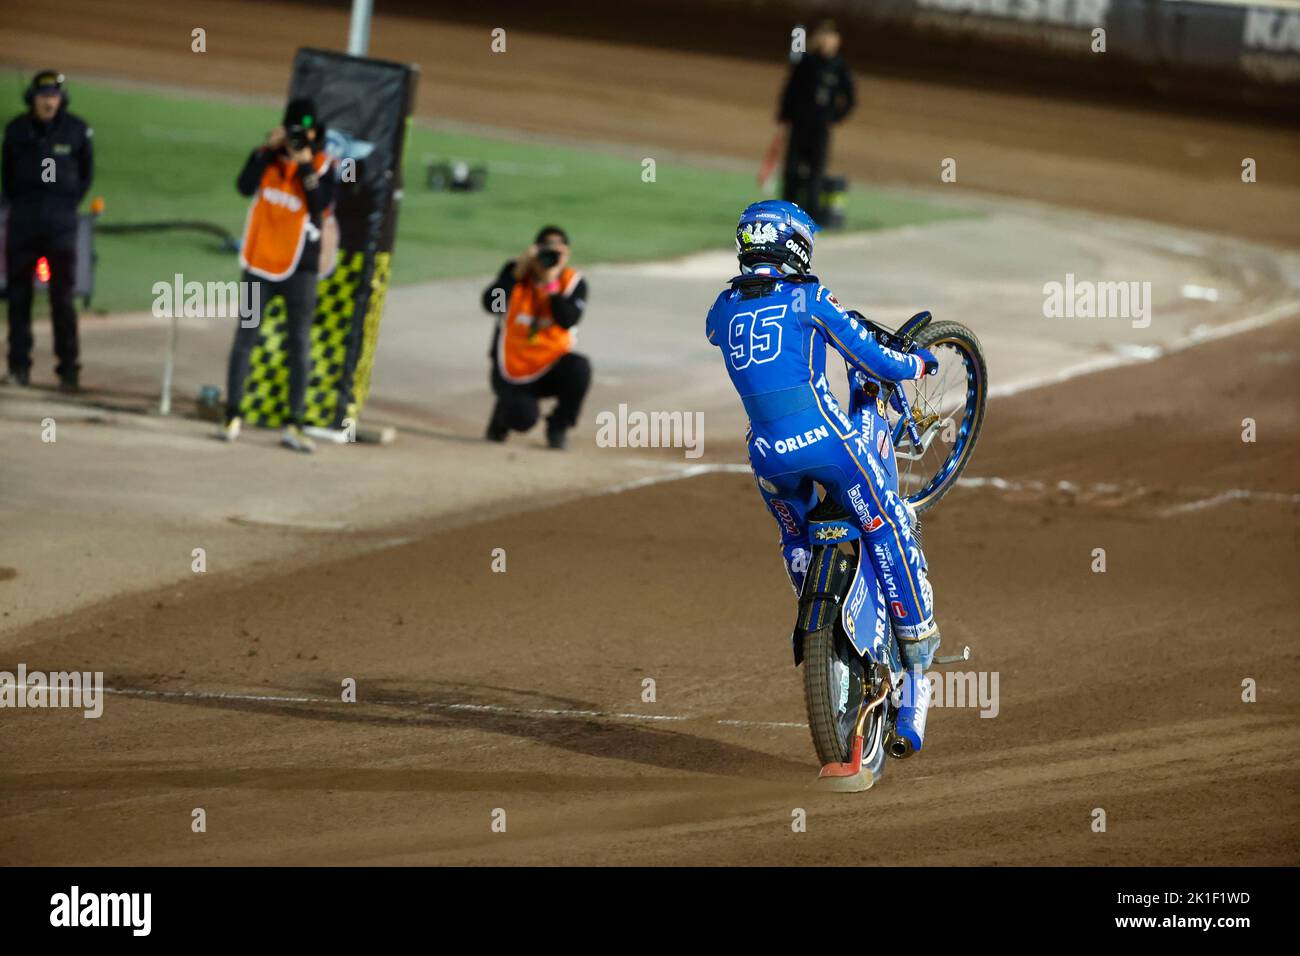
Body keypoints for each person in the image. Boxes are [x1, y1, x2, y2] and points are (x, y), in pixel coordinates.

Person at [705, 200, 941, 671]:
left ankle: (824, 626)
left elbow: (719, 330)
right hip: (828, 446)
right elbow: (873, 358)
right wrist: (916, 364)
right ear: (795, 244)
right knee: (885, 523)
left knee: (794, 537)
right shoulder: (808, 297)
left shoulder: (722, 309)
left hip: (768, 458)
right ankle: (918, 638)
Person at [221, 97, 335, 453]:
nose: (301, 137)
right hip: (259, 267)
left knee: (299, 343)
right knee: (246, 338)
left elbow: (320, 204)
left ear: (316, 132)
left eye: (307, 130)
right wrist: (262, 150)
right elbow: (242, 186)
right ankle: (232, 414)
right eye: (294, 130)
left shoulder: (324, 164)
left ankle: (294, 422)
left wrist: (303, 167)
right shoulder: (266, 159)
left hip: (299, 270)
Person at [1, 70, 93, 391]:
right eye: (43, 96)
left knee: (62, 301)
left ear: (61, 98)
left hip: (60, 228)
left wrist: (60, 204)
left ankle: (68, 371)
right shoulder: (15, 131)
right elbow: (7, 179)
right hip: (23, 225)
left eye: (53, 95)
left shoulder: (78, 131)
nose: (48, 102)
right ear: (32, 98)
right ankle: (18, 367)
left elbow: (85, 177)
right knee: (18, 300)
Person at [480, 226, 590, 450]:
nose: (549, 257)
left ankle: (558, 426)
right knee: (522, 418)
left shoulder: (572, 283)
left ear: (566, 254)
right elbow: (494, 306)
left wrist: (550, 285)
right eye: (545, 250)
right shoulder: (516, 273)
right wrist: (514, 275)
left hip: (550, 367)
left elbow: (568, 319)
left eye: (556, 252)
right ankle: (503, 415)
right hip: (511, 369)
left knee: (579, 368)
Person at [777, 20, 855, 226]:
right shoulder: (806, 62)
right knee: (792, 170)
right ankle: (786, 211)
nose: (827, 41)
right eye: (824, 36)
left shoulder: (839, 67)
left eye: (831, 37)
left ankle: (810, 215)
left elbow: (850, 99)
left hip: (820, 128)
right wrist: (785, 115)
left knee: (815, 174)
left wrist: (835, 117)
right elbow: (791, 90)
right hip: (800, 125)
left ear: (838, 41)